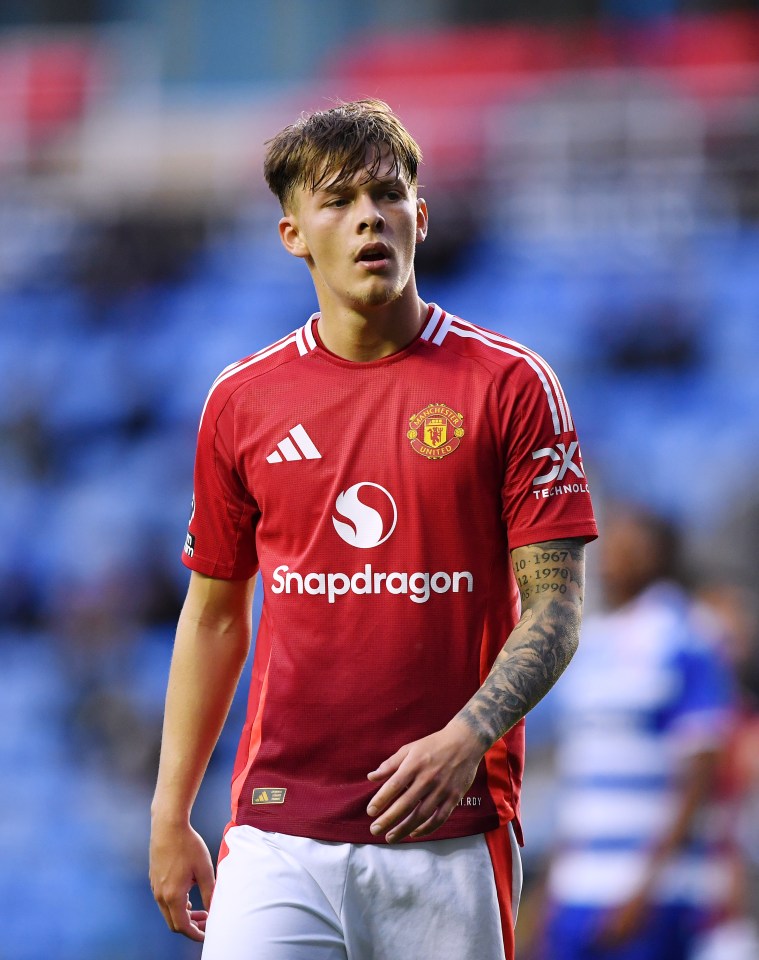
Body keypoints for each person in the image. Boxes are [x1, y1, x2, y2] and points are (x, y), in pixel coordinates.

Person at [149, 99, 597, 960]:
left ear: (418, 218)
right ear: (293, 235)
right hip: (279, 830)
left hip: (448, 830)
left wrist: (467, 738)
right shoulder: (241, 401)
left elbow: (555, 609)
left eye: (387, 195)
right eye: (339, 199)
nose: (368, 216)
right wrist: (172, 813)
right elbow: (212, 616)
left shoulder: (510, 386)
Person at [542, 505, 734, 960]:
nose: (614, 555)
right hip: (578, 884)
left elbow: (701, 777)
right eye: (613, 544)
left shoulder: (687, 636)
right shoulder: (588, 639)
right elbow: (580, 775)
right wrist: (553, 885)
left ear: (660, 555)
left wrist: (645, 890)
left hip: (651, 893)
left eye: (632, 544)